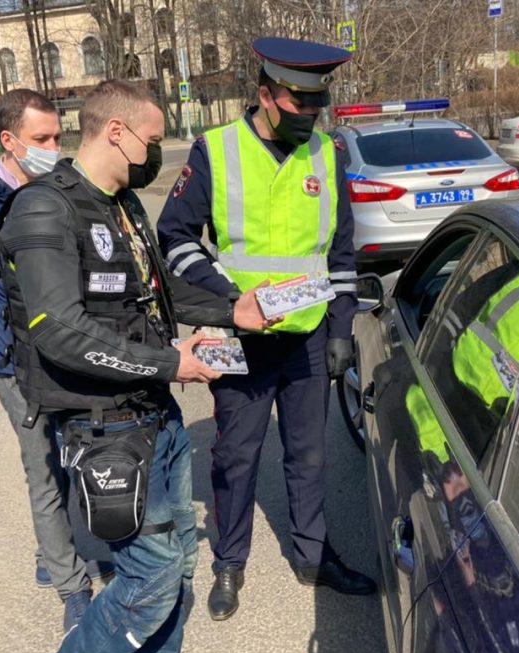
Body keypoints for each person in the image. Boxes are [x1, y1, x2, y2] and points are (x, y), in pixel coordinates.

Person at [0, 79, 273, 653]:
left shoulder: (120, 204)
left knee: (176, 567)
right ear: (116, 132)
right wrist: (172, 361)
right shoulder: (47, 207)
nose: (155, 154)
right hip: (106, 431)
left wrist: (232, 310)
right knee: (149, 579)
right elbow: (58, 329)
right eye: (151, 140)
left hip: (156, 417)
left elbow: (156, 288)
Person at [157, 37, 376, 622]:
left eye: (316, 106)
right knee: (235, 458)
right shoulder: (215, 150)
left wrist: (341, 330)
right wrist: (230, 298)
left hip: (306, 339)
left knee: (310, 456)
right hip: (241, 340)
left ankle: (313, 554)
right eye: (296, 104)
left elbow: (341, 253)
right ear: (264, 95)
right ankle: (229, 562)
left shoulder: (327, 154)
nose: (307, 117)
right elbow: (174, 237)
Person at [0, 88, 111, 633]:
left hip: (65, 358)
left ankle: (57, 550)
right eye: (41, 139)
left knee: (79, 459)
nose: (53, 147)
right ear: (8, 141)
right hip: (18, 368)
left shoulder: (57, 192)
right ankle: (69, 583)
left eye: (57, 136)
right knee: (42, 470)